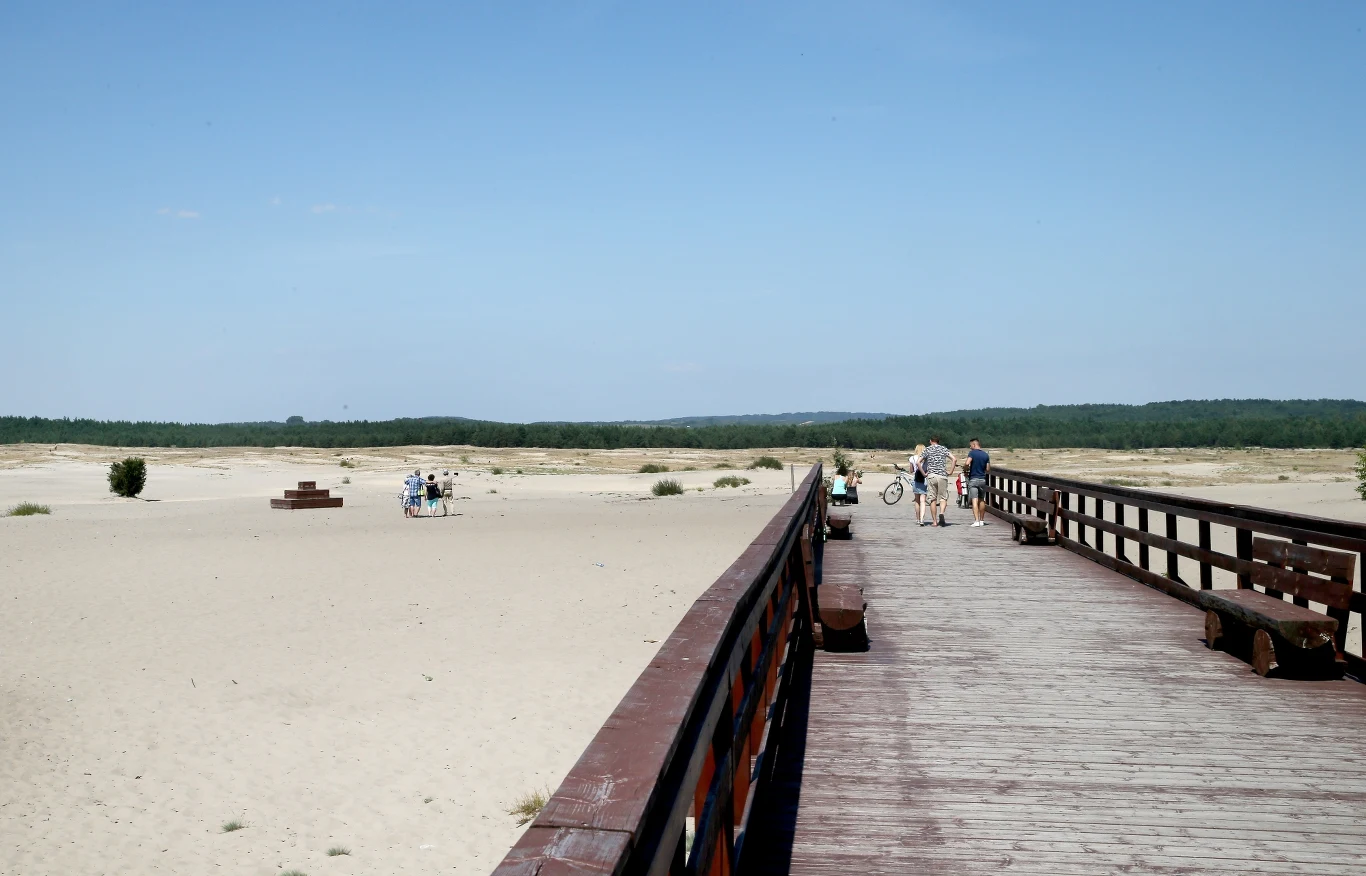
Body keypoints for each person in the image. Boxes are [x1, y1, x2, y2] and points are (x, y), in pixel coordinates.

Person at [920, 436, 958, 527]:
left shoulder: (927, 449)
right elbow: (954, 459)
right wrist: (951, 471)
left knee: (932, 498)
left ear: (930, 441)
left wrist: (924, 473)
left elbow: (918, 462)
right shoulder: (943, 448)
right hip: (942, 475)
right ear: (938, 441)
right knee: (943, 498)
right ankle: (941, 513)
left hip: (932, 476)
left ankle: (934, 521)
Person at [967, 438, 991, 526]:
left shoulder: (972, 453)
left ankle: (976, 521)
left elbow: (967, 463)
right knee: (981, 500)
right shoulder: (985, 455)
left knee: (974, 500)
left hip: (973, 479)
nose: (970, 447)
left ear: (974, 445)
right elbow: (988, 469)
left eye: (970, 445)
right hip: (982, 479)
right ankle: (981, 520)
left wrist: (966, 470)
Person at [909, 444, 928, 524]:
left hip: (916, 480)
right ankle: (922, 519)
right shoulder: (926, 458)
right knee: (923, 500)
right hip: (924, 480)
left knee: (917, 501)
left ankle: (917, 519)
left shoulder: (912, 458)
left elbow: (911, 470)